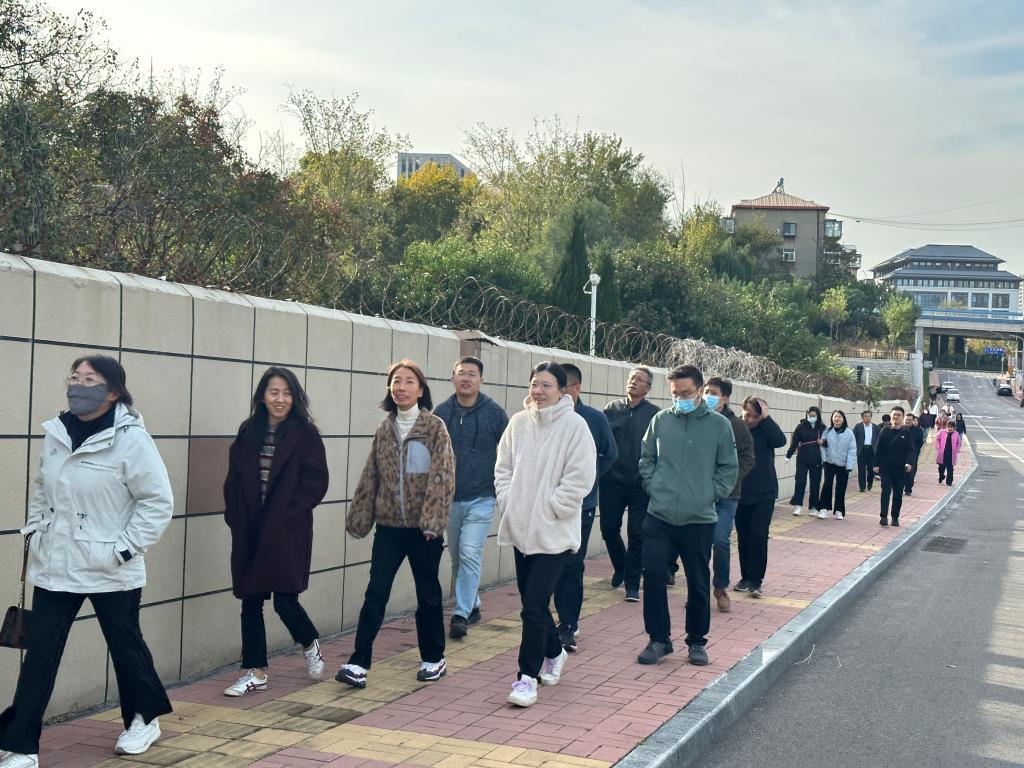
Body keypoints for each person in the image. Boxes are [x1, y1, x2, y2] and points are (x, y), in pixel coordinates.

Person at [0, 356, 173, 767]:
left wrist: (124, 549)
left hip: (110, 566)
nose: (78, 385)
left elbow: (157, 501)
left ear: (112, 391)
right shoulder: (57, 432)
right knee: (40, 655)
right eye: (74, 377)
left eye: (89, 379)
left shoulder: (131, 439)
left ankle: (143, 718)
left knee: (125, 647)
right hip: (56, 563)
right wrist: (36, 528)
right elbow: (43, 489)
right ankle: (22, 745)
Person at [337, 360, 456, 689]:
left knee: (427, 595)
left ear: (420, 389)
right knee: (376, 592)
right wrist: (360, 518)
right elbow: (370, 475)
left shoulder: (434, 427)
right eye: (396, 381)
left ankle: (434, 658)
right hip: (389, 528)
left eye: (408, 381)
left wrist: (432, 521)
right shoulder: (384, 429)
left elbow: (443, 476)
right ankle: (358, 662)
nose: (401, 387)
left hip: (423, 530)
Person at [222, 367, 330, 697]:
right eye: (273, 392)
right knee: (250, 601)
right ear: (262, 397)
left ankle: (309, 643)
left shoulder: (305, 433)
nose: (280, 399)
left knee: (285, 600)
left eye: (286, 393)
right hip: (250, 529)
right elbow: (234, 479)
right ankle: (255, 672)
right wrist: (235, 517)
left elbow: (316, 482)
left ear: (295, 398)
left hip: (286, 530)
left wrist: (289, 514)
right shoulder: (248, 431)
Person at [496, 362, 596, 707]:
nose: (538, 391)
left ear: (562, 390)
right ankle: (554, 651)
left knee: (534, 604)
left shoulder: (575, 426)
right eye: (534, 384)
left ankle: (526, 677)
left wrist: (553, 507)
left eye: (546, 385)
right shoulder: (518, 423)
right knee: (532, 604)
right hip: (521, 530)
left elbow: (581, 476)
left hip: (554, 532)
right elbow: (503, 468)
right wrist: (508, 500)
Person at [635, 365, 738, 667]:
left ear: (700, 390)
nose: (680, 399)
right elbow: (646, 457)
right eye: (675, 394)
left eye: (686, 393)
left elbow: (729, 467)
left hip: (698, 518)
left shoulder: (719, 425)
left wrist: (710, 494)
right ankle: (658, 639)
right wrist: (653, 486)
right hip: (659, 514)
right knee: (654, 576)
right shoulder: (661, 420)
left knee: (698, 581)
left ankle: (696, 641)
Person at [434, 356, 509, 640]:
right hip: (449, 498)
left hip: (482, 496)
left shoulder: (494, 412)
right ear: (452, 378)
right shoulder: (442, 413)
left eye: (472, 374)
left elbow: (509, 452)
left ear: (481, 380)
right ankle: (472, 602)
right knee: (457, 557)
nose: (466, 378)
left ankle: (461, 614)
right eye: (461, 373)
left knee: (468, 552)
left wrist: (502, 488)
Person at [553, 364, 617, 650]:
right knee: (549, 566)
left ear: (575, 388)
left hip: (582, 505)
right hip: (547, 505)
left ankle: (568, 624)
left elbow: (610, 454)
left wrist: (587, 479)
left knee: (571, 564)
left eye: (562, 387)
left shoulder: (593, 418)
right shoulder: (543, 418)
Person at [601, 368, 660, 594]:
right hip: (612, 482)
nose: (633, 382)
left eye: (639, 380)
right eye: (631, 378)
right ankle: (621, 566)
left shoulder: (654, 414)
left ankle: (632, 584)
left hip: (640, 484)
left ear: (648, 388)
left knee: (637, 533)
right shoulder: (611, 409)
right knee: (608, 529)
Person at [703, 377, 754, 612]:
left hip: (727, 495)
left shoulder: (736, 426)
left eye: (713, 392)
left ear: (725, 397)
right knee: (698, 544)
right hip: (699, 494)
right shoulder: (696, 420)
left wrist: (729, 480)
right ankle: (698, 589)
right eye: (705, 391)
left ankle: (720, 586)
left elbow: (747, 458)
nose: (708, 396)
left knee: (720, 540)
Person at [734, 397, 787, 598]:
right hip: (740, 492)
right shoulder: (736, 428)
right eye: (746, 414)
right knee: (743, 536)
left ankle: (756, 581)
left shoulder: (766, 430)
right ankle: (745, 577)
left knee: (758, 535)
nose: (749, 419)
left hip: (765, 492)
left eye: (754, 416)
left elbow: (780, 441)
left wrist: (766, 418)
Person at [873, 406, 915, 527]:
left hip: (900, 469)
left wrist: (909, 463)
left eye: (898, 415)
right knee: (885, 492)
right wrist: (876, 464)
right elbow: (878, 449)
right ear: (891, 417)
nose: (896, 417)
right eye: (894, 414)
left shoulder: (906, 433)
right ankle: (883, 516)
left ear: (902, 417)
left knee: (897, 494)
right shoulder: (884, 431)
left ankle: (895, 517)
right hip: (886, 468)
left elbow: (910, 450)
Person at [786, 407, 825, 516]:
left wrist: (823, 442)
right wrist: (788, 455)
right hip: (802, 458)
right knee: (800, 482)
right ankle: (797, 505)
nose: (811, 417)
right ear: (807, 415)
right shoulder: (801, 426)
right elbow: (794, 442)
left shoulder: (822, 427)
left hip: (816, 459)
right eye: (810, 415)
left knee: (815, 484)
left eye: (814, 415)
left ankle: (813, 507)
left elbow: (829, 442)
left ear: (818, 416)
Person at [819, 410, 856, 520]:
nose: (837, 419)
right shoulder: (827, 431)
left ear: (843, 419)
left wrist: (849, 465)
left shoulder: (849, 433)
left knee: (841, 487)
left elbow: (852, 450)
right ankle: (824, 509)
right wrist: (824, 460)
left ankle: (839, 510)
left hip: (843, 464)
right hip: (830, 462)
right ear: (832, 418)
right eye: (835, 417)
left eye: (839, 417)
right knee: (827, 485)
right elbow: (822, 446)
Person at [852, 410, 877, 492]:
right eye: (865, 416)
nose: (867, 418)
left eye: (869, 416)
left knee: (871, 469)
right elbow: (853, 438)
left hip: (871, 450)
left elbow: (879, 439)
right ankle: (862, 487)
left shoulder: (876, 427)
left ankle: (870, 483)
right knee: (861, 470)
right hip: (861, 450)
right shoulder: (858, 427)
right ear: (862, 418)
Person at [904, 414, 925, 496]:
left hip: (912, 455)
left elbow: (920, 442)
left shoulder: (918, 430)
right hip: (900, 454)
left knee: (910, 472)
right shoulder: (900, 429)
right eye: (906, 419)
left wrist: (915, 451)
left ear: (913, 421)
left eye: (909, 420)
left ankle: (908, 489)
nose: (907, 421)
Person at [936, 421, 962, 486]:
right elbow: (937, 439)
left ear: (954, 427)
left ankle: (949, 482)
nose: (950, 428)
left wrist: (957, 450)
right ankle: (941, 476)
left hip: (951, 454)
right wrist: (939, 447)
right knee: (941, 468)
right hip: (942, 453)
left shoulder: (956, 433)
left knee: (950, 469)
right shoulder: (941, 432)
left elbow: (959, 443)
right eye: (948, 427)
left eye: (951, 427)